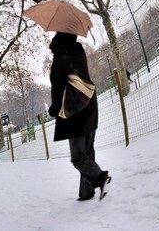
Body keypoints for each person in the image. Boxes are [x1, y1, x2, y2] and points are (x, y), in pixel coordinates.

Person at [48, 32, 111, 201]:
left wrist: (55, 108)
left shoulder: (61, 52)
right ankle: (86, 192)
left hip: (74, 108)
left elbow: (58, 83)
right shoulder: (78, 49)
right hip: (89, 103)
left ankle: (100, 177)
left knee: (78, 157)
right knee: (87, 152)